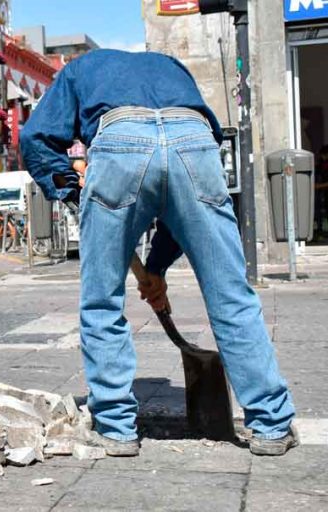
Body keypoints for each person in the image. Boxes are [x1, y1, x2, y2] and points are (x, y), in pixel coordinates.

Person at [20, 49, 296, 457]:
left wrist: (71, 191)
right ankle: (271, 426)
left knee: (101, 302)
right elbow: (181, 189)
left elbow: (36, 138)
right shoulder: (171, 65)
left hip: (119, 142)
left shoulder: (79, 68)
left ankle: (115, 429)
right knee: (232, 297)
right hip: (194, 142)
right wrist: (157, 264)